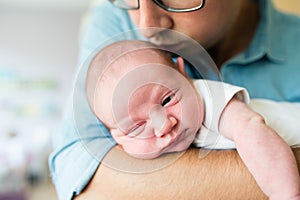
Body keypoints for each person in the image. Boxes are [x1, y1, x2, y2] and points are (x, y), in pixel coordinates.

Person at [49, 0, 300, 199]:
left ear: (180, 71)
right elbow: (83, 180)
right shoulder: (116, 17)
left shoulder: (210, 100)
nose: (146, 26)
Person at [86, 40, 300, 198]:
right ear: (117, 139)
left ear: (183, 74)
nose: (165, 126)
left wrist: (286, 195)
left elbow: (252, 131)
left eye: (167, 100)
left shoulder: (209, 100)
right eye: (139, 126)